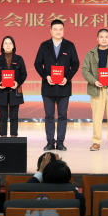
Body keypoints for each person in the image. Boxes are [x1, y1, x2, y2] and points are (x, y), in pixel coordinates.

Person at [34, 19, 80, 151]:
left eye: (60, 29)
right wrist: (46, 76)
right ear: (51, 31)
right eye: (55, 29)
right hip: (48, 86)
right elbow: (37, 64)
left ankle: (60, 143)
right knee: (49, 116)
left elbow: (75, 64)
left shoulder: (69, 45)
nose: (58, 31)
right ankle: (50, 142)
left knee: (62, 116)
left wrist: (67, 78)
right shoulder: (44, 45)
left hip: (64, 86)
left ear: (63, 30)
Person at [0, 36, 28, 137]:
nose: (8, 45)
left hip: (15, 91)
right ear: (2, 46)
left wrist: (17, 83)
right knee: (3, 117)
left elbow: (24, 74)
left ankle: (13, 138)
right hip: (1, 91)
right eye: (6, 43)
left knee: (14, 116)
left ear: (13, 46)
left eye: (10, 43)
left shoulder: (19, 59)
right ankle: (3, 139)